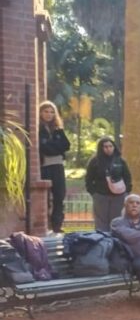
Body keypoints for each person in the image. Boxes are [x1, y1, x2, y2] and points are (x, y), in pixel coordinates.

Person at [84, 136, 132, 232]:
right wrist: (94, 193)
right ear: (101, 148)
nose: (108, 149)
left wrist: (126, 192)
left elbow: (127, 177)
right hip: (101, 195)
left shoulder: (120, 161)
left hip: (118, 196)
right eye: (105, 147)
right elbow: (88, 179)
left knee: (116, 221)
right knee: (101, 222)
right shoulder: (94, 162)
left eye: (111, 146)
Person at [37, 100, 69, 235]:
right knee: (44, 197)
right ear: (40, 113)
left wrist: (52, 146)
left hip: (58, 166)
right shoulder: (38, 128)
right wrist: (55, 147)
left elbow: (66, 145)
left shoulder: (58, 129)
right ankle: (45, 224)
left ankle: (57, 226)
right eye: (46, 111)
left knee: (59, 195)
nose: (49, 114)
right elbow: (43, 147)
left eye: (52, 112)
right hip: (44, 166)